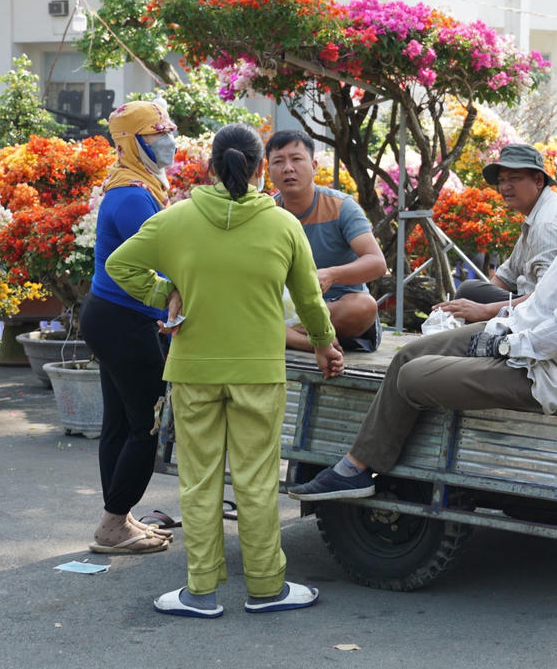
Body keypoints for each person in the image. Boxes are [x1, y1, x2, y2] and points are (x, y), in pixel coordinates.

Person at [288, 136, 557, 501]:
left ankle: (360, 466)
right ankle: (355, 468)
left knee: (411, 377)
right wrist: (498, 323)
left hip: (541, 372)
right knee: (409, 353)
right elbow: (539, 300)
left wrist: (502, 344)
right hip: (518, 338)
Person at [107, 123, 345, 618]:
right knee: (257, 481)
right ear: (262, 169)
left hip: (192, 369)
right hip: (259, 372)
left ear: (211, 167)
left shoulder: (177, 220)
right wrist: (325, 346)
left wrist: (165, 298)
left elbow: (119, 266)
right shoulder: (283, 226)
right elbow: (308, 298)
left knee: (198, 480)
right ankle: (266, 588)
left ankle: (200, 592)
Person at [80, 100, 178, 556]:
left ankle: (119, 518)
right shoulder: (134, 196)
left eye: (167, 132)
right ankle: (113, 526)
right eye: (156, 135)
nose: (168, 142)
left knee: (120, 422)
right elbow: (164, 260)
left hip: (111, 316)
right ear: (132, 143)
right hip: (124, 320)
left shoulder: (134, 185)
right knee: (148, 424)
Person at [265, 129, 387, 353]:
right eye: (278, 161)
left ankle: (293, 336)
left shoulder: (342, 207)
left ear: (314, 165)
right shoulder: (266, 213)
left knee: (363, 306)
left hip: (336, 307)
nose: (288, 168)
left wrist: (331, 275)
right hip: (285, 311)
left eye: (296, 159)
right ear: (268, 171)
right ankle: (307, 340)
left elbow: (377, 264)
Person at [434, 142, 557, 323]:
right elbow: (505, 277)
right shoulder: (538, 214)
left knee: (469, 293)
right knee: (470, 293)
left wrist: (484, 311)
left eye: (514, 178)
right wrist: (473, 308)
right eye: (501, 180)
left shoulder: (547, 223)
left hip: (545, 320)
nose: (505, 187)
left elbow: (548, 299)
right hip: (530, 307)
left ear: (539, 181)